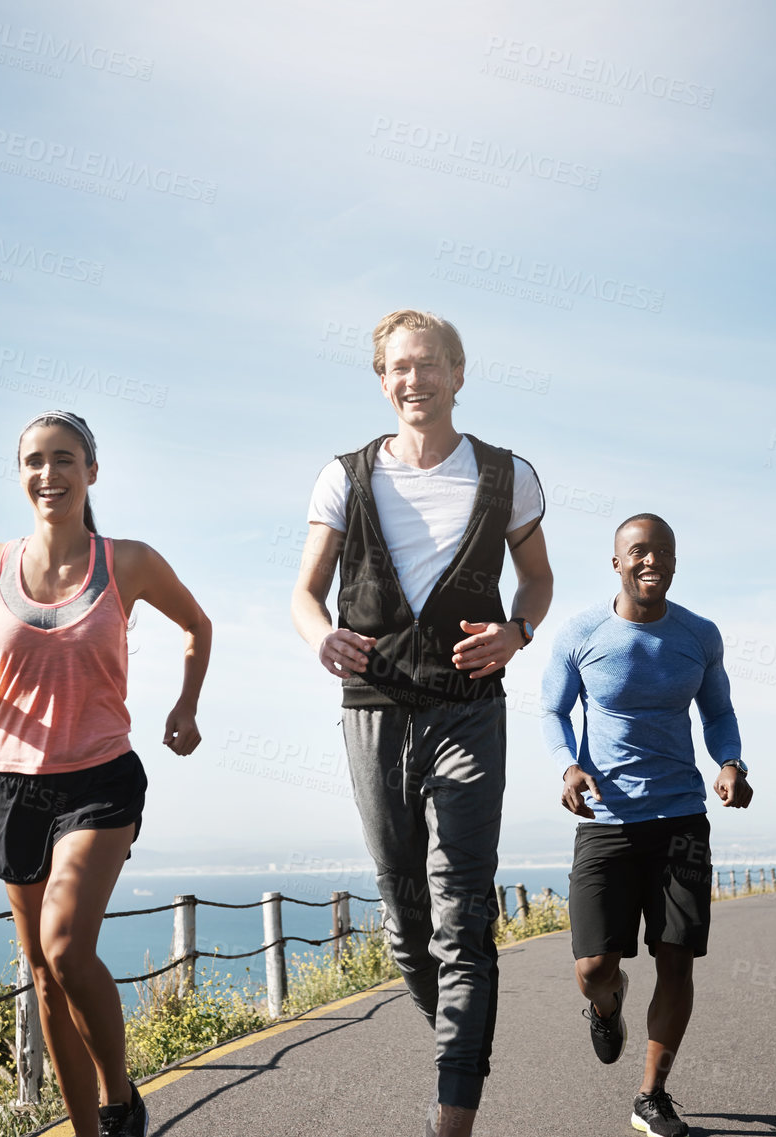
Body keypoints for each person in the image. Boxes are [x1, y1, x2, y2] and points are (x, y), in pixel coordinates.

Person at [290, 309, 553, 1137]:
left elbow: (539, 580)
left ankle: (452, 1114)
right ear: (382, 380)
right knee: (407, 930)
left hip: (471, 712)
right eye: (398, 368)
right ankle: (464, 1045)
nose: (414, 380)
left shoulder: (510, 476)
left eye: (429, 364)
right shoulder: (343, 476)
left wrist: (518, 632)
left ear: (458, 372)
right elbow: (304, 592)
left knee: (460, 912)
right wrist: (316, 632)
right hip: (373, 713)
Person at [0, 411, 211, 1137]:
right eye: (34, 460)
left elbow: (197, 626)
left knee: (64, 945)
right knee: (45, 976)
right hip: (13, 785)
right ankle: (88, 1131)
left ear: (91, 471)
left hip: (101, 777)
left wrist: (186, 705)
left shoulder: (127, 562)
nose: (48, 473)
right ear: (19, 472)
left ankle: (121, 1099)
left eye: (64, 459)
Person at [542, 513, 750, 1137]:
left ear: (675, 562)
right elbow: (552, 710)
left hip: (682, 817)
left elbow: (718, 712)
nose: (650, 561)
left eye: (662, 551)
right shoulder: (581, 633)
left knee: (677, 959)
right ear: (617, 563)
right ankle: (608, 1004)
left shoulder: (699, 635)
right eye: (638, 552)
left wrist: (731, 762)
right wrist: (568, 767)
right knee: (592, 967)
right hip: (606, 820)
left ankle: (652, 1095)